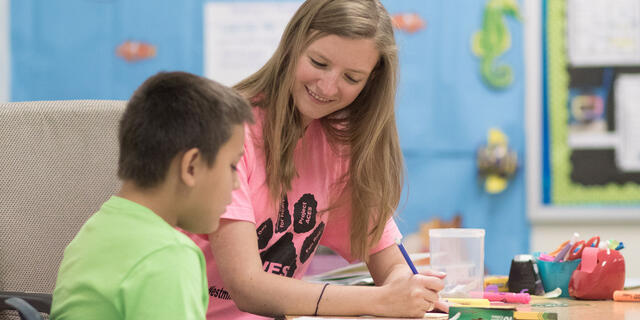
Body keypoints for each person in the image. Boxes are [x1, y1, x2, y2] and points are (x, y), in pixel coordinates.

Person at [186, 0, 448, 319]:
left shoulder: (338, 145)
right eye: (319, 62)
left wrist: (404, 289)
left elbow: (390, 262)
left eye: (352, 78)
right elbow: (247, 286)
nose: (327, 86)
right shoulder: (226, 128)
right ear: (294, 44)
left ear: (370, 84)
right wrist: (381, 301)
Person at [50, 71, 254, 320]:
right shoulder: (168, 255)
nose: (235, 184)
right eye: (232, 166)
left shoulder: (96, 228)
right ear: (191, 166)